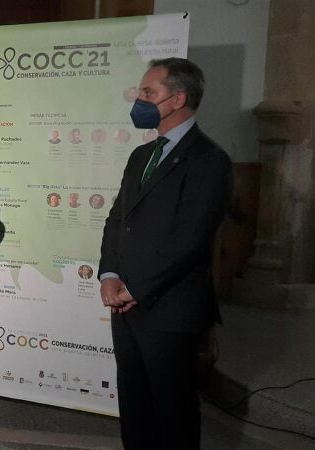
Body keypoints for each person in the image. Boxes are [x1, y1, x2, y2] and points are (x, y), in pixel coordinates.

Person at [98, 58, 232, 449]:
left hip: (170, 310)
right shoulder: (141, 156)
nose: (139, 100)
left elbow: (190, 240)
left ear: (177, 99)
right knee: (135, 406)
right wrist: (109, 275)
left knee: (172, 413)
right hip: (126, 306)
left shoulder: (209, 160)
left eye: (148, 92)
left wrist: (137, 287)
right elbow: (117, 220)